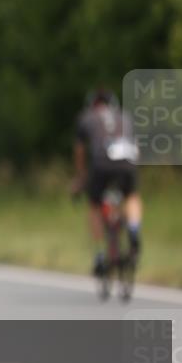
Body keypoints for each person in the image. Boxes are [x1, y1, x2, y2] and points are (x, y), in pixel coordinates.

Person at [71, 87, 142, 277]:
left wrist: (80, 177)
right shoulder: (125, 116)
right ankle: (134, 230)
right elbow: (137, 146)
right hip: (127, 161)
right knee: (131, 196)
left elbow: (80, 151)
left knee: (94, 205)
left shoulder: (86, 117)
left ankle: (100, 255)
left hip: (101, 163)